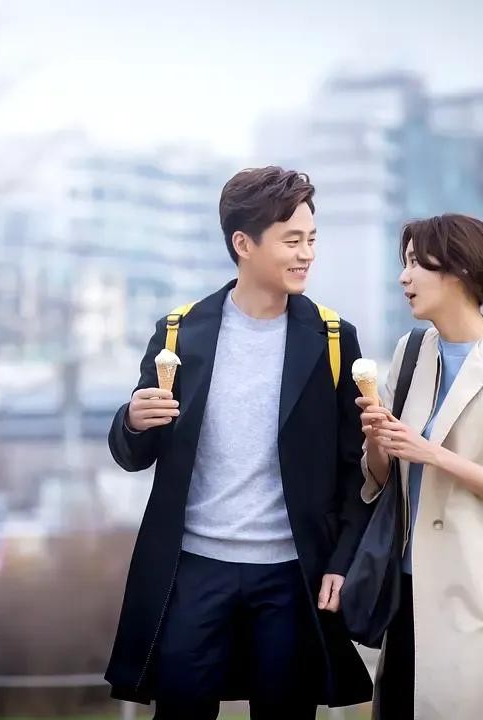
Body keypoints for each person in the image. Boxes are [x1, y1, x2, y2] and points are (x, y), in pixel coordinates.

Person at [105, 166, 373, 718]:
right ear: (243, 244)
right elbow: (133, 455)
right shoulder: (180, 333)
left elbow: (354, 471)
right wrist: (132, 420)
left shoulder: (332, 339)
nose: (306, 255)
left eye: (311, 239)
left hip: (291, 578)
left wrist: (341, 561)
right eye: (291, 241)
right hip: (194, 570)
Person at [357, 214, 483, 719]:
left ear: (459, 271)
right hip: (408, 591)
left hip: (479, 599)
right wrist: (377, 439)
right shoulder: (411, 352)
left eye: (415, 264)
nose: (404, 277)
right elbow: (382, 479)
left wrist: (432, 453)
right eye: (404, 263)